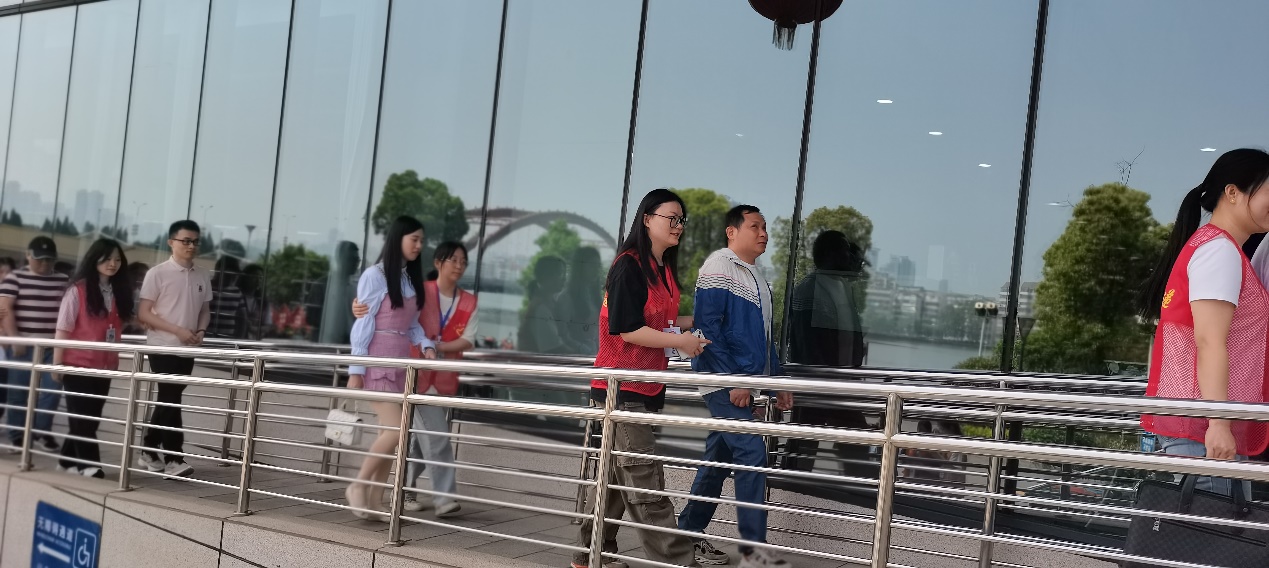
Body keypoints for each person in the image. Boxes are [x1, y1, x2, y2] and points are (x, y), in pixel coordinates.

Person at [571, 188, 709, 568]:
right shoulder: (628, 266)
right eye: (672, 218)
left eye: (682, 220)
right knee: (646, 484)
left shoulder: (662, 268)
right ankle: (680, 562)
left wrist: (698, 323)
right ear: (647, 219)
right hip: (620, 388)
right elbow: (628, 328)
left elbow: (661, 321)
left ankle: (589, 556)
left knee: (616, 480)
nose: (679, 226)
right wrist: (679, 341)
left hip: (644, 386)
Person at [1141, 148, 1269, 498]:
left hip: (1199, 427)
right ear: (1233, 193)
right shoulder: (1220, 251)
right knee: (1208, 527)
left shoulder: (1215, 247)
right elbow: (1209, 341)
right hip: (1202, 432)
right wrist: (1219, 423)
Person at [679, 205, 792, 568]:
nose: (764, 233)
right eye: (755, 226)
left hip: (739, 381)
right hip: (722, 379)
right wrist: (735, 381)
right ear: (732, 232)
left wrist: (775, 383)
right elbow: (707, 328)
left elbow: (763, 339)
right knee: (752, 453)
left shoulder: (756, 277)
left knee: (718, 460)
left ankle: (686, 537)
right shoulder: (719, 266)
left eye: (765, 227)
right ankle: (755, 552)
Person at [352, 241, 475, 517]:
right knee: (412, 434)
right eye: (453, 260)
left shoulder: (466, 300)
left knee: (406, 437)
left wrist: (432, 346)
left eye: (463, 261)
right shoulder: (417, 288)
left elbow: (465, 338)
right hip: (404, 373)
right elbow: (381, 312)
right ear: (438, 263)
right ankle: (427, 496)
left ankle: (382, 498)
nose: (459, 266)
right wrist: (359, 306)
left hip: (428, 376)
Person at [345, 215, 437, 521]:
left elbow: (412, 326)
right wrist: (356, 370)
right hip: (377, 362)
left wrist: (426, 345)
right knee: (397, 430)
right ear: (398, 239)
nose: (419, 245)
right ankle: (358, 486)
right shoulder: (375, 275)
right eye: (414, 239)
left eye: (421, 240)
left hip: (400, 365)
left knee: (389, 433)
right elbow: (364, 323)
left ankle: (375, 500)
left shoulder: (408, 279)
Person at [785, 230, 873, 476]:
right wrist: (821, 381)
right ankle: (791, 483)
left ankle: (859, 487)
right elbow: (805, 342)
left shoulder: (842, 287)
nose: (850, 256)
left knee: (840, 440)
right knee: (806, 441)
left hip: (841, 383)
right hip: (818, 384)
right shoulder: (809, 289)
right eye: (844, 250)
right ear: (829, 254)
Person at [135, 220, 213, 478]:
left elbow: (205, 309)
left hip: (188, 348)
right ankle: (173, 458)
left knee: (169, 398)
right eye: (186, 241)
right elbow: (144, 312)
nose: (191, 246)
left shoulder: (203, 274)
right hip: (162, 346)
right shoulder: (157, 273)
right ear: (171, 242)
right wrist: (177, 330)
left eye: (195, 241)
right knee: (171, 398)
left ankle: (148, 448)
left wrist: (201, 331)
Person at [52, 238, 133, 478]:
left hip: (105, 366)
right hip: (77, 363)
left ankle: (66, 461)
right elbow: (63, 329)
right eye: (107, 258)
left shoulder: (119, 291)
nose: (113, 263)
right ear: (94, 259)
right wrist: (57, 364)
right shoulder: (77, 290)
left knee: (90, 417)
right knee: (83, 417)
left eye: (117, 259)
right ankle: (88, 465)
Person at [0, 236, 70, 452]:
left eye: (49, 259)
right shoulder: (14, 278)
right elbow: (5, 309)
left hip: (51, 347)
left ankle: (40, 430)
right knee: (18, 393)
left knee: (52, 390)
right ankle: (17, 437)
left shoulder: (63, 280)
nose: (44, 263)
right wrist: (15, 338)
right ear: (28, 256)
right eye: (40, 259)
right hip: (23, 345)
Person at [518, 255, 570, 353]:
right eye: (560, 274)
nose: (564, 279)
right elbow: (555, 349)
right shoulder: (540, 309)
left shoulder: (551, 304)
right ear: (545, 276)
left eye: (564, 274)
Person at [560, 246, 604, 355]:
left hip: (595, 355)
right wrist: (581, 347)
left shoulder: (595, 296)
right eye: (592, 265)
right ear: (580, 267)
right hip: (576, 357)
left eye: (598, 266)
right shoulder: (567, 297)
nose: (596, 270)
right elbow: (562, 334)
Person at [208, 256, 244, 339]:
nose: (234, 277)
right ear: (218, 272)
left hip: (228, 340)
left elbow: (242, 319)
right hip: (205, 337)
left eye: (235, 275)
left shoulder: (237, 292)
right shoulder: (206, 287)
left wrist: (239, 339)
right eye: (230, 274)